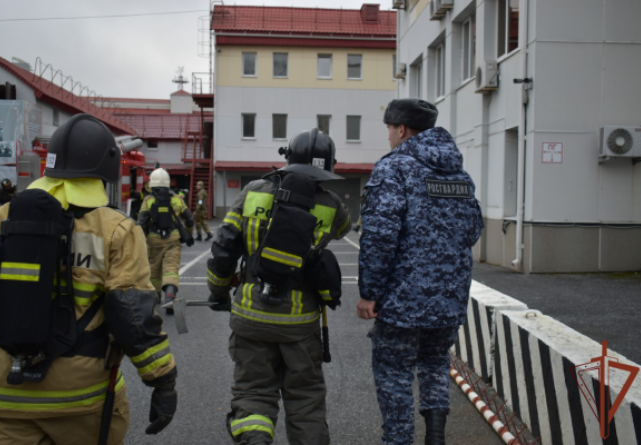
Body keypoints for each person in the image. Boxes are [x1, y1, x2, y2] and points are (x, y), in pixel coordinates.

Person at [0, 113, 178, 444]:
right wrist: (162, 379)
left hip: (2, 389)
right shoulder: (116, 229)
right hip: (79, 398)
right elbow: (132, 315)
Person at [207, 129, 351, 445]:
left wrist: (218, 292)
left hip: (250, 316)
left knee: (254, 393)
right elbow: (343, 229)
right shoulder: (331, 205)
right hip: (301, 325)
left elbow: (224, 248)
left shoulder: (253, 192)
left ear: (288, 157)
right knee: (306, 400)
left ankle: (255, 439)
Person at [357, 99, 484, 445]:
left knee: (394, 371)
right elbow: (473, 230)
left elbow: (380, 236)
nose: (388, 138)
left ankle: (399, 440)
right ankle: (436, 438)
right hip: (449, 298)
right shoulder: (460, 174)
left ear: (402, 129)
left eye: (389, 130)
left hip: (403, 301)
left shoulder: (393, 168)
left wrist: (369, 292)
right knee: (434, 362)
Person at [138, 168, 195, 313]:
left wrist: (142, 240)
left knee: (154, 270)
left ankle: (155, 297)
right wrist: (188, 234)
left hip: (154, 240)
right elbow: (189, 218)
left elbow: (142, 221)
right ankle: (169, 298)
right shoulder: (177, 199)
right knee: (171, 269)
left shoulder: (148, 200)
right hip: (173, 239)